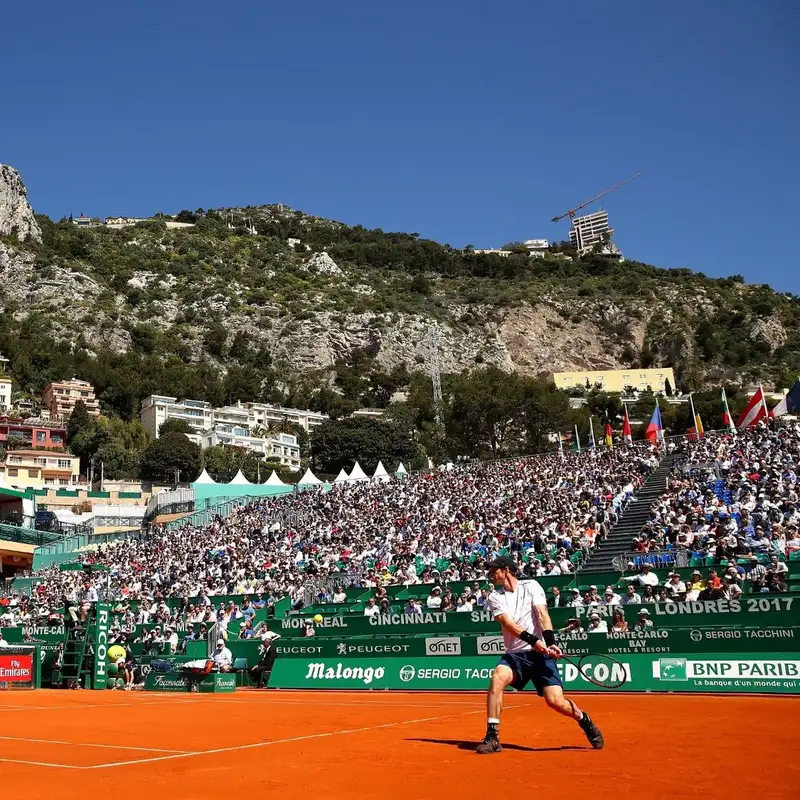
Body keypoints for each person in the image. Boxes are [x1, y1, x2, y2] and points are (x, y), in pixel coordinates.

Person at [476, 556, 603, 754]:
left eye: (494, 571)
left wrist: (550, 643)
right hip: (515, 655)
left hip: (540, 657)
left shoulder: (532, 586)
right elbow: (508, 624)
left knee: (555, 701)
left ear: (506, 570)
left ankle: (583, 719)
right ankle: (492, 736)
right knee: (497, 678)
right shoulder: (494, 597)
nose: (490, 575)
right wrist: (534, 641)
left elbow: (542, 614)